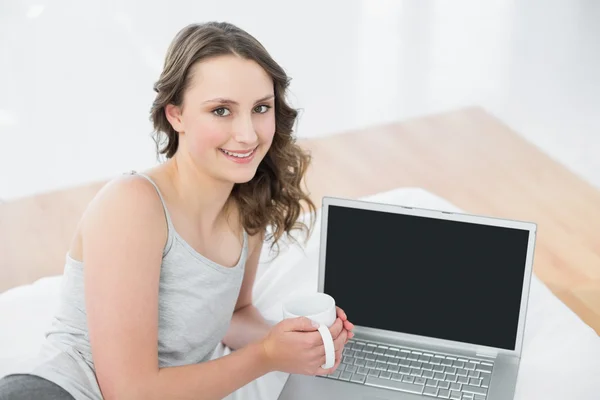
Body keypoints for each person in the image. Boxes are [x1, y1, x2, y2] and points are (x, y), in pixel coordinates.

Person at [0, 22, 354, 399]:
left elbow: (233, 315)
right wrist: (266, 356)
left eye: (260, 108)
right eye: (221, 110)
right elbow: (130, 392)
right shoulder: (133, 205)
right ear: (176, 116)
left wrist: (300, 342)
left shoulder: (247, 210)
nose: (248, 134)